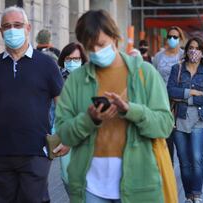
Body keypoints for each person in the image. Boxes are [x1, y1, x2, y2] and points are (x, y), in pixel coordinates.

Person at [55, 10, 174, 203]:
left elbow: (165, 124)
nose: (96, 52)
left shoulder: (144, 73)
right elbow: (64, 132)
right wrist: (89, 119)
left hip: (138, 185)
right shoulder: (76, 80)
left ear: (115, 37)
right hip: (89, 187)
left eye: (101, 44)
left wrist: (130, 110)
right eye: (89, 48)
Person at [0, 6, 65, 203]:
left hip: (36, 152)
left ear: (28, 28)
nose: (12, 30)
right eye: (7, 26)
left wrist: (65, 136)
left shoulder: (47, 65)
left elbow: (64, 104)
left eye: (18, 25)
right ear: (2, 32)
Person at [167, 37, 203, 203]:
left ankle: (197, 194)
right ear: (186, 51)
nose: (194, 51)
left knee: (196, 158)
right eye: (191, 48)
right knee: (184, 161)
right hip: (179, 120)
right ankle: (188, 196)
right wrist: (191, 92)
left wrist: (185, 97)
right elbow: (171, 91)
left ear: (202, 53)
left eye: (197, 48)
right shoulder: (177, 69)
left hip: (199, 120)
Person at [56, 42, 88, 193]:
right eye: (69, 59)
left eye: (76, 59)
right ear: (63, 60)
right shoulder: (57, 79)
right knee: (67, 176)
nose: (72, 62)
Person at [153, 26, 186, 164]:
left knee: (182, 140)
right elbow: (153, 77)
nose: (172, 39)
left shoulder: (184, 56)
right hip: (162, 101)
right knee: (167, 137)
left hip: (180, 102)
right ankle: (169, 169)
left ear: (180, 39)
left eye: (175, 37)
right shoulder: (158, 56)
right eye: (170, 37)